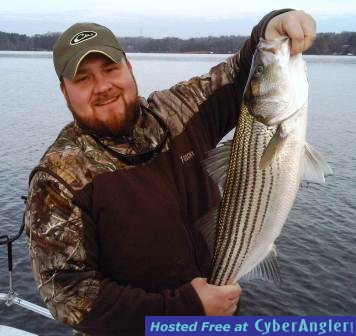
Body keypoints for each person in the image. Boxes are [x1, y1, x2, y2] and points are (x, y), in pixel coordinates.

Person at [24, 9, 316, 336]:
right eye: (83, 78)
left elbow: (239, 74)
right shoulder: (59, 176)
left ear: (129, 68)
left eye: (110, 68)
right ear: (64, 92)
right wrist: (185, 310)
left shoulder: (176, 111)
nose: (102, 86)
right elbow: (65, 293)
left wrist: (271, 28)